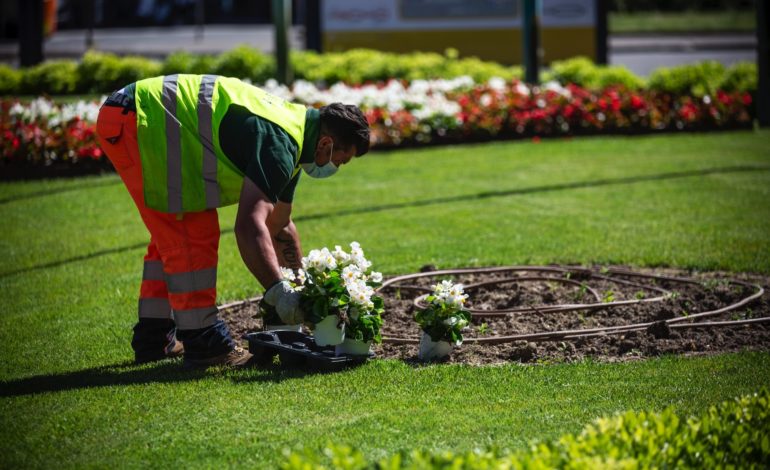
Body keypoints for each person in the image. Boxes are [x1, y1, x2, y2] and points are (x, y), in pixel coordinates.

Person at [95, 74, 370, 368]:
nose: (335, 168)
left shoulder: (297, 137)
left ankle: (154, 338)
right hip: (142, 118)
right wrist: (279, 292)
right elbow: (250, 226)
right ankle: (205, 342)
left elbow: (279, 225)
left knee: (171, 235)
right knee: (192, 230)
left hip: (136, 113)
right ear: (326, 144)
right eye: (340, 161)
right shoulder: (281, 144)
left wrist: (302, 292)